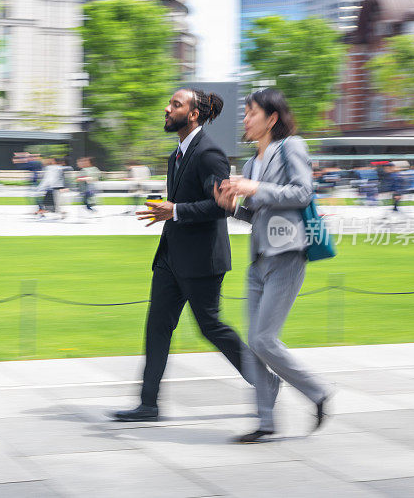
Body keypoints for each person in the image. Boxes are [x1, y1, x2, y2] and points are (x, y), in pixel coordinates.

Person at [109, 88, 274, 423]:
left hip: (201, 261)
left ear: (194, 114)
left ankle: (265, 381)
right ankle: (148, 404)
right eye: (169, 103)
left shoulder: (210, 153)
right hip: (171, 258)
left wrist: (176, 211)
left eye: (175, 104)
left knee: (211, 327)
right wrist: (170, 213)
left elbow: (221, 206)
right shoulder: (176, 156)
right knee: (157, 327)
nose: (167, 109)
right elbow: (183, 207)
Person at [214, 88, 331, 443]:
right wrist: (231, 206)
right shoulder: (251, 163)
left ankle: (318, 392)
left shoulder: (291, 147)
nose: (245, 120)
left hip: (288, 256)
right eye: (245, 113)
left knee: (264, 339)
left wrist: (255, 187)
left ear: (272, 118)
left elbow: (302, 193)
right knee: (255, 343)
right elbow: (255, 214)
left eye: (251, 113)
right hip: (258, 260)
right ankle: (265, 422)